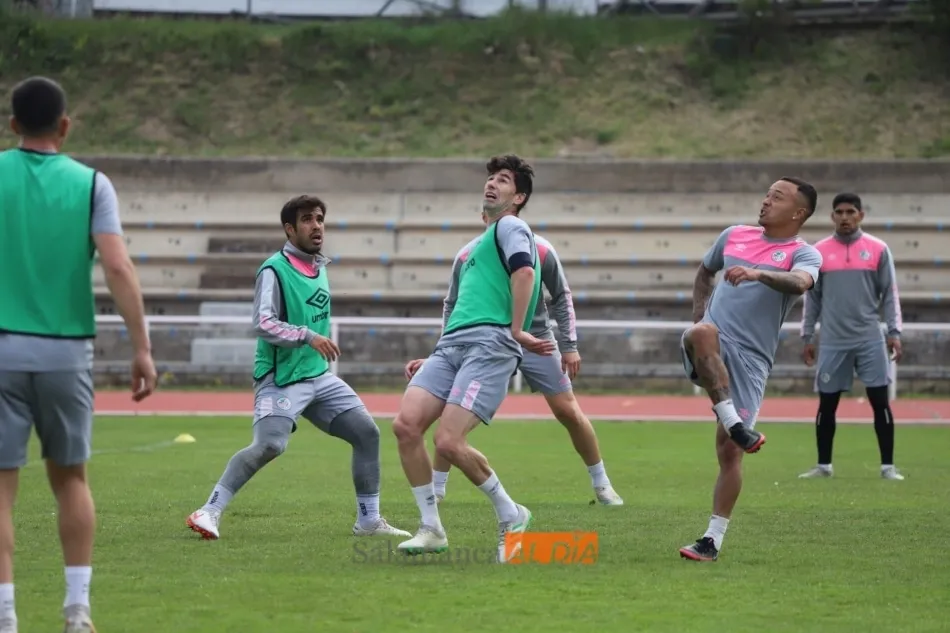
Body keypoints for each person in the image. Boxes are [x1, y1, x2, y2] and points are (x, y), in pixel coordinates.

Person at [0, 76, 158, 633]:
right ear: (65, 125)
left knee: (1, 486)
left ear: (13, 124)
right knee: (70, 480)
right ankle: (76, 610)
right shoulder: (93, 184)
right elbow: (117, 267)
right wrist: (141, 347)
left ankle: (5, 616)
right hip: (66, 354)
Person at [185, 195, 411, 542]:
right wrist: (307, 336)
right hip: (281, 377)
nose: (316, 225)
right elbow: (262, 323)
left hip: (318, 376)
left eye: (320, 218)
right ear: (290, 229)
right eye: (307, 219)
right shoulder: (274, 269)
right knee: (270, 446)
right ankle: (209, 510)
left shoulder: (319, 266)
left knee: (367, 433)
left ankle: (369, 520)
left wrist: (312, 345)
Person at [391, 154, 554, 563]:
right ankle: (431, 528)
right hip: (452, 347)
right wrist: (433, 354)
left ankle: (511, 513)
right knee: (406, 426)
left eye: (502, 180)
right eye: (490, 178)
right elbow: (458, 307)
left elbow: (526, 273)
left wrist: (517, 330)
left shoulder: (512, 226)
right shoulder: (473, 248)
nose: (491, 184)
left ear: (518, 197)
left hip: (489, 344)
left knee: (448, 440)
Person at [408, 212, 624, 506]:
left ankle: (602, 484)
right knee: (451, 413)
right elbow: (454, 306)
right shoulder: (466, 255)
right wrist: (442, 352)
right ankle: (438, 487)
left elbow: (561, 295)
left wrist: (569, 345)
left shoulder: (541, 249)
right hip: (484, 341)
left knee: (568, 411)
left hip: (536, 340)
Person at [677, 177, 823, 563]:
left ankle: (711, 540)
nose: (766, 201)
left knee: (729, 454)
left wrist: (759, 274)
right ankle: (735, 422)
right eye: (767, 194)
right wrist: (698, 314)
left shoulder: (804, 253)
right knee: (703, 331)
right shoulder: (734, 235)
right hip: (710, 340)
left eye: (777, 197)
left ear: (798, 212)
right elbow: (704, 271)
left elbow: (801, 283)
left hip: (752, 359)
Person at [798, 193, 904, 481]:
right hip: (832, 340)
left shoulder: (878, 249)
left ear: (861, 215)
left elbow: (890, 295)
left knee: (880, 401)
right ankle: (823, 466)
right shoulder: (818, 252)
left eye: (850, 212)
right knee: (827, 404)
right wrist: (807, 335)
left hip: (869, 338)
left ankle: (887, 467)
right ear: (832, 216)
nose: (845, 217)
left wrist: (894, 332)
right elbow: (812, 300)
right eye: (839, 212)